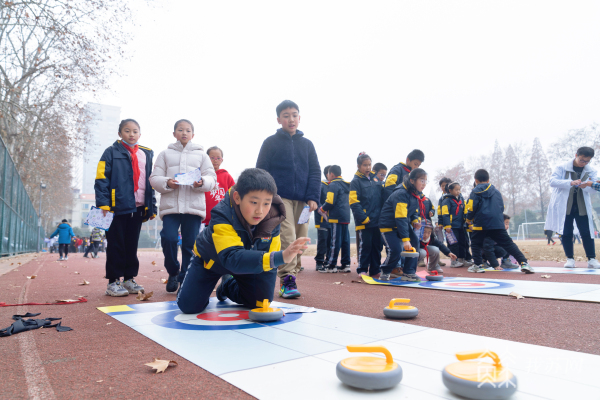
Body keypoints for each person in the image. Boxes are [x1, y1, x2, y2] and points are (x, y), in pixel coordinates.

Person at [177, 168, 310, 314]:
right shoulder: (222, 214)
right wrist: (282, 257)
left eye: (267, 203)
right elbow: (231, 257)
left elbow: (269, 259)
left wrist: (263, 293)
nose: (260, 210)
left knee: (259, 303)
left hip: (249, 263)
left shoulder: (274, 218)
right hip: (211, 261)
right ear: (237, 197)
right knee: (189, 307)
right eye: (254, 202)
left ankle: (227, 285)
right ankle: (200, 288)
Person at [256, 100, 321, 299]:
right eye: (286, 115)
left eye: (294, 115)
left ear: (299, 118)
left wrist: (313, 197)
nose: (291, 119)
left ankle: (293, 272)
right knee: (287, 237)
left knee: (300, 240)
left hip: (303, 202)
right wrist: (267, 198)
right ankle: (286, 279)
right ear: (279, 119)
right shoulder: (270, 143)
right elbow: (261, 169)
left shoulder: (307, 144)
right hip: (279, 199)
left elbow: (315, 172)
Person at [149, 119, 216, 293]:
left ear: (193, 134)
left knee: (189, 245)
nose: (184, 133)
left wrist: (202, 182)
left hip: (193, 207)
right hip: (171, 206)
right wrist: (167, 183)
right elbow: (154, 178)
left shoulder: (202, 155)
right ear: (174, 134)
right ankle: (173, 272)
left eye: (187, 130)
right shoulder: (164, 154)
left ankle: (185, 279)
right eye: (180, 130)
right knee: (168, 238)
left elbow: (212, 178)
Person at [95, 119, 157, 297]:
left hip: (137, 208)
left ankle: (129, 279)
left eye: (135, 131)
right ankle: (113, 282)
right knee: (116, 245)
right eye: (127, 131)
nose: (131, 134)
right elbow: (101, 179)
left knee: (131, 245)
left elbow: (150, 181)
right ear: (120, 133)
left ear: (140, 133)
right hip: (116, 207)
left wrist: (151, 207)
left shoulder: (146, 153)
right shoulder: (111, 152)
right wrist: (104, 203)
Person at [466, 169, 534, 273]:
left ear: (475, 180)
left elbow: (471, 207)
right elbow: (501, 207)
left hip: (481, 224)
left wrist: (468, 219)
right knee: (508, 243)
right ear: (488, 180)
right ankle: (524, 263)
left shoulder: (474, 192)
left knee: (475, 243)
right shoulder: (496, 192)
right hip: (496, 223)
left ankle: (478, 265)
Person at [545, 147, 599, 269]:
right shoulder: (562, 167)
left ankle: (591, 259)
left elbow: (593, 189)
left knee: (587, 232)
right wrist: (570, 182)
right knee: (566, 232)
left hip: (582, 204)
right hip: (565, 205)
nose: (584, 163)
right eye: (581, 160)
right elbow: (552, 181)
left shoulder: (591, 170)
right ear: (576, 155)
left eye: (587, 161)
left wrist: (588, 185)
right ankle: (570, 259)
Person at [379, 168, 428, 282]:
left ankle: (409, 272)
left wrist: (414, 221)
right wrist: (405, 239)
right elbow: (400, 217)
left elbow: (414, 211)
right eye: (421, 180)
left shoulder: (415, 194)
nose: (424, 184)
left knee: (415, 243)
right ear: (412, 180)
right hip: (389, 226)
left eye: (426, 181)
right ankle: (386, 270)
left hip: (402, 224)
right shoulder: (401, 193)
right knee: (395, 250)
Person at [350, 153, 383, 278]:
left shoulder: (375, 179)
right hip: (365, 221)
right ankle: (362, 269)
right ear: (358, 166)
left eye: (369, 165)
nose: (368, 167)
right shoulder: (355, 182)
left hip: (377, 220)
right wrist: (363, 217)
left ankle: (375, 269)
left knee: (377, 246)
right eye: (365, 165)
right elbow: (353, 202)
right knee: (366, 245)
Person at [320, 165, 351, 273]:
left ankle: (331, 265)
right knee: (345, 241)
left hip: (336, 216)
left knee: (335, 241)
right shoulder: (346, 185)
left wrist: (322, 208)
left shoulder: (333, 184)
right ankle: (346, 264)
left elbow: (330, 201)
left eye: (328, 174)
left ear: (331, 174)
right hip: (346, 216)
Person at [204, 146, 236, 227]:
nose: (215, 160)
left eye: (218, 158)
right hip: (204, 219)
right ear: (206, 159)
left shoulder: (226, 176)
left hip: (222, 217)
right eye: (212, 157)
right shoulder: (202, 176)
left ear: (222, 160)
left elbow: (235, 194)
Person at [441, 182, 471, 268]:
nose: (458, 191)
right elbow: (445, 214)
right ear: (450, 190)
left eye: (459, 189)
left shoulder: (461, 200)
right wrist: (447, 225)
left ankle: (462, 259)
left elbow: (465, 211)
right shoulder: (446, 200)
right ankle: (454, 261)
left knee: (463, 242)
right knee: (453, 244)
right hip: (451, 226)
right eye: (456, 190)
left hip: (461, 226)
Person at [315, 165, 332, 272]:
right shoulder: (321, 185)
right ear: (328, 174)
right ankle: (319, 262)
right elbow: (317, 202)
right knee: (323, 241)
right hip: (322, 219)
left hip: (332, 220)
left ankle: (328, 261)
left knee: (331, 242)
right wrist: (323, 212)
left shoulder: (334, 185)